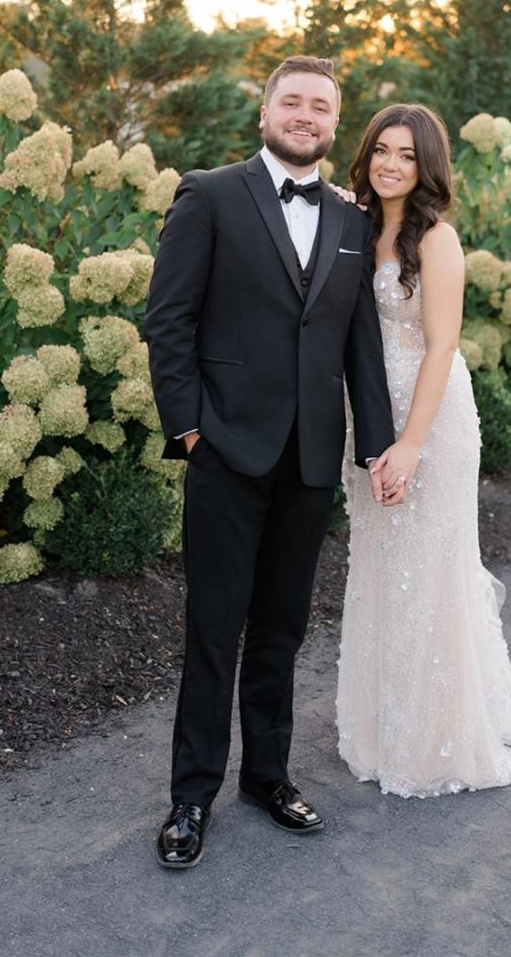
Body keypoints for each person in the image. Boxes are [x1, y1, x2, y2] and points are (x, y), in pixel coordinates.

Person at [144, 56, 396, 869]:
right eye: (291, 101)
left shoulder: (354, 222)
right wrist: (188, 430)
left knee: (282, 630)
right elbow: (168, 321)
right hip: (225, 450)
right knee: (214, 631)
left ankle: (268, 777)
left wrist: (376, 444)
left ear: (333, 124)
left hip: (311, 459)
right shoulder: (209, 195)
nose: (305, 115)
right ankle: (191, 797)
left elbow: (359, 343)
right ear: (265, 113)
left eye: (320, 106)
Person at [336, 103, 511, 797]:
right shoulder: (353, 227)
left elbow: (442, 344)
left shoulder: (437, 241)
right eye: (382, 150)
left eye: (407, 155)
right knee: (381, 563)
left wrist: (411, 444)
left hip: (431, 420)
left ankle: (439, 735)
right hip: (364, 413)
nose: (392, 163)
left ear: (428, 166)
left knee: (429, 567)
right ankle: (381, 720)